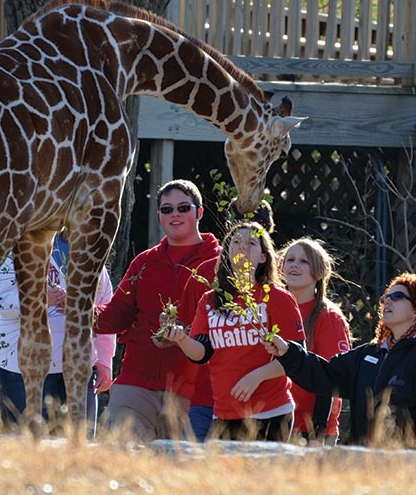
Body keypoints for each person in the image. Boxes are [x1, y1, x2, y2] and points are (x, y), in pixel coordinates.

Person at [262, 272, 416, 450]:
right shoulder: (370, 354)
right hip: (364, 467)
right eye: (386, 297)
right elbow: (324, 375)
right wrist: (288, 352)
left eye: (397, 296)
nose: (387, 301)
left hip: (408, 472)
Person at [96, 179, 222, 441]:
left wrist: (184, 333)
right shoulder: (145, 261)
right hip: (136, 384)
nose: (174, 214)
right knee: (121, 462)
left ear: (199, 212)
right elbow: (114, 317)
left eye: (183, 207)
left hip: (193, 391)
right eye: (167, 209)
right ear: (159, 216)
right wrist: (72, 305)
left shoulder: (221, 264)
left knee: (181, 475)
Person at [163, 221, 304, 442]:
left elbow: (296, 358)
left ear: (263, 257)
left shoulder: (278, 298)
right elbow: (202, 353)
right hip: (224, 412)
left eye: (251, 243)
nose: (242, 247)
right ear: (227, 253)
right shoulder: (210, 299)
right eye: (236, 242)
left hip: (272, 412)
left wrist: (256, 377)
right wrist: (182, 339)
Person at [0, 231, 116, 435]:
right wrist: (41, 298)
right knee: (29, 449)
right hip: (23, 370)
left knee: (80, 449)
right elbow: (5, 303)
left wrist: (103, 360)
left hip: (80, 367)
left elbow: (105, 305)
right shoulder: (11, 247)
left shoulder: (90, 249)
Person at [177, 200, 276, 442]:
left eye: (253, 234)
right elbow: (191, 333)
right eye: (238, 235)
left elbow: (291, 349)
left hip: (265, 403)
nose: (243, 243)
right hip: (206, 398)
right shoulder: (204, 273)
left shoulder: (278, 282)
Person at [280, 238, 352, 445]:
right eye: (290, 259)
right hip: (273, 423)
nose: (294, 264)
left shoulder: (328, 317)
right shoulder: (271, 309)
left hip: (310, 431)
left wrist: (318, 432)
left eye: (304, 261)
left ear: (319, 272)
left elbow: (331, 380)